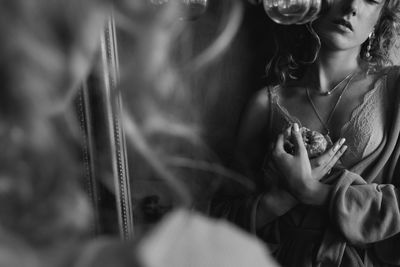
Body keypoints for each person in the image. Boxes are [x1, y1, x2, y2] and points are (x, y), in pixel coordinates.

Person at [210, 0, 400, 266]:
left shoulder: (394, 91)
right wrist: (281, 198)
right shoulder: (265, 105)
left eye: (371, 0)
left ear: (380, 18)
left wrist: (311, 190)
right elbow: (220, 221)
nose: (352, 7)